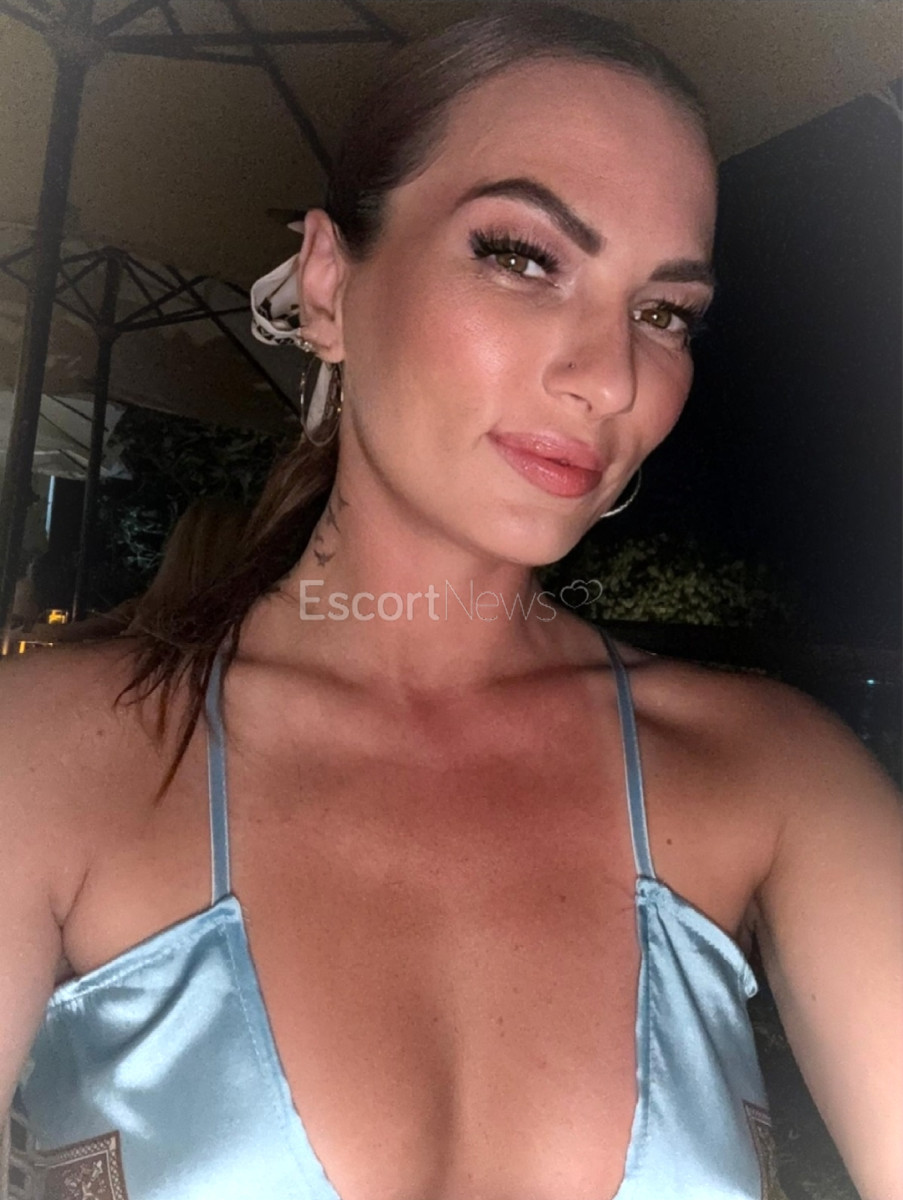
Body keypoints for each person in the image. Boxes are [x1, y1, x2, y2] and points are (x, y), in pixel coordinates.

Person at [1, 6, 900, 1199]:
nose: (610, 377)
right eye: (523, 256)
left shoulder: (783, 782)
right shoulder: (51, 756)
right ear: (329, 285)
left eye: (663, 312)